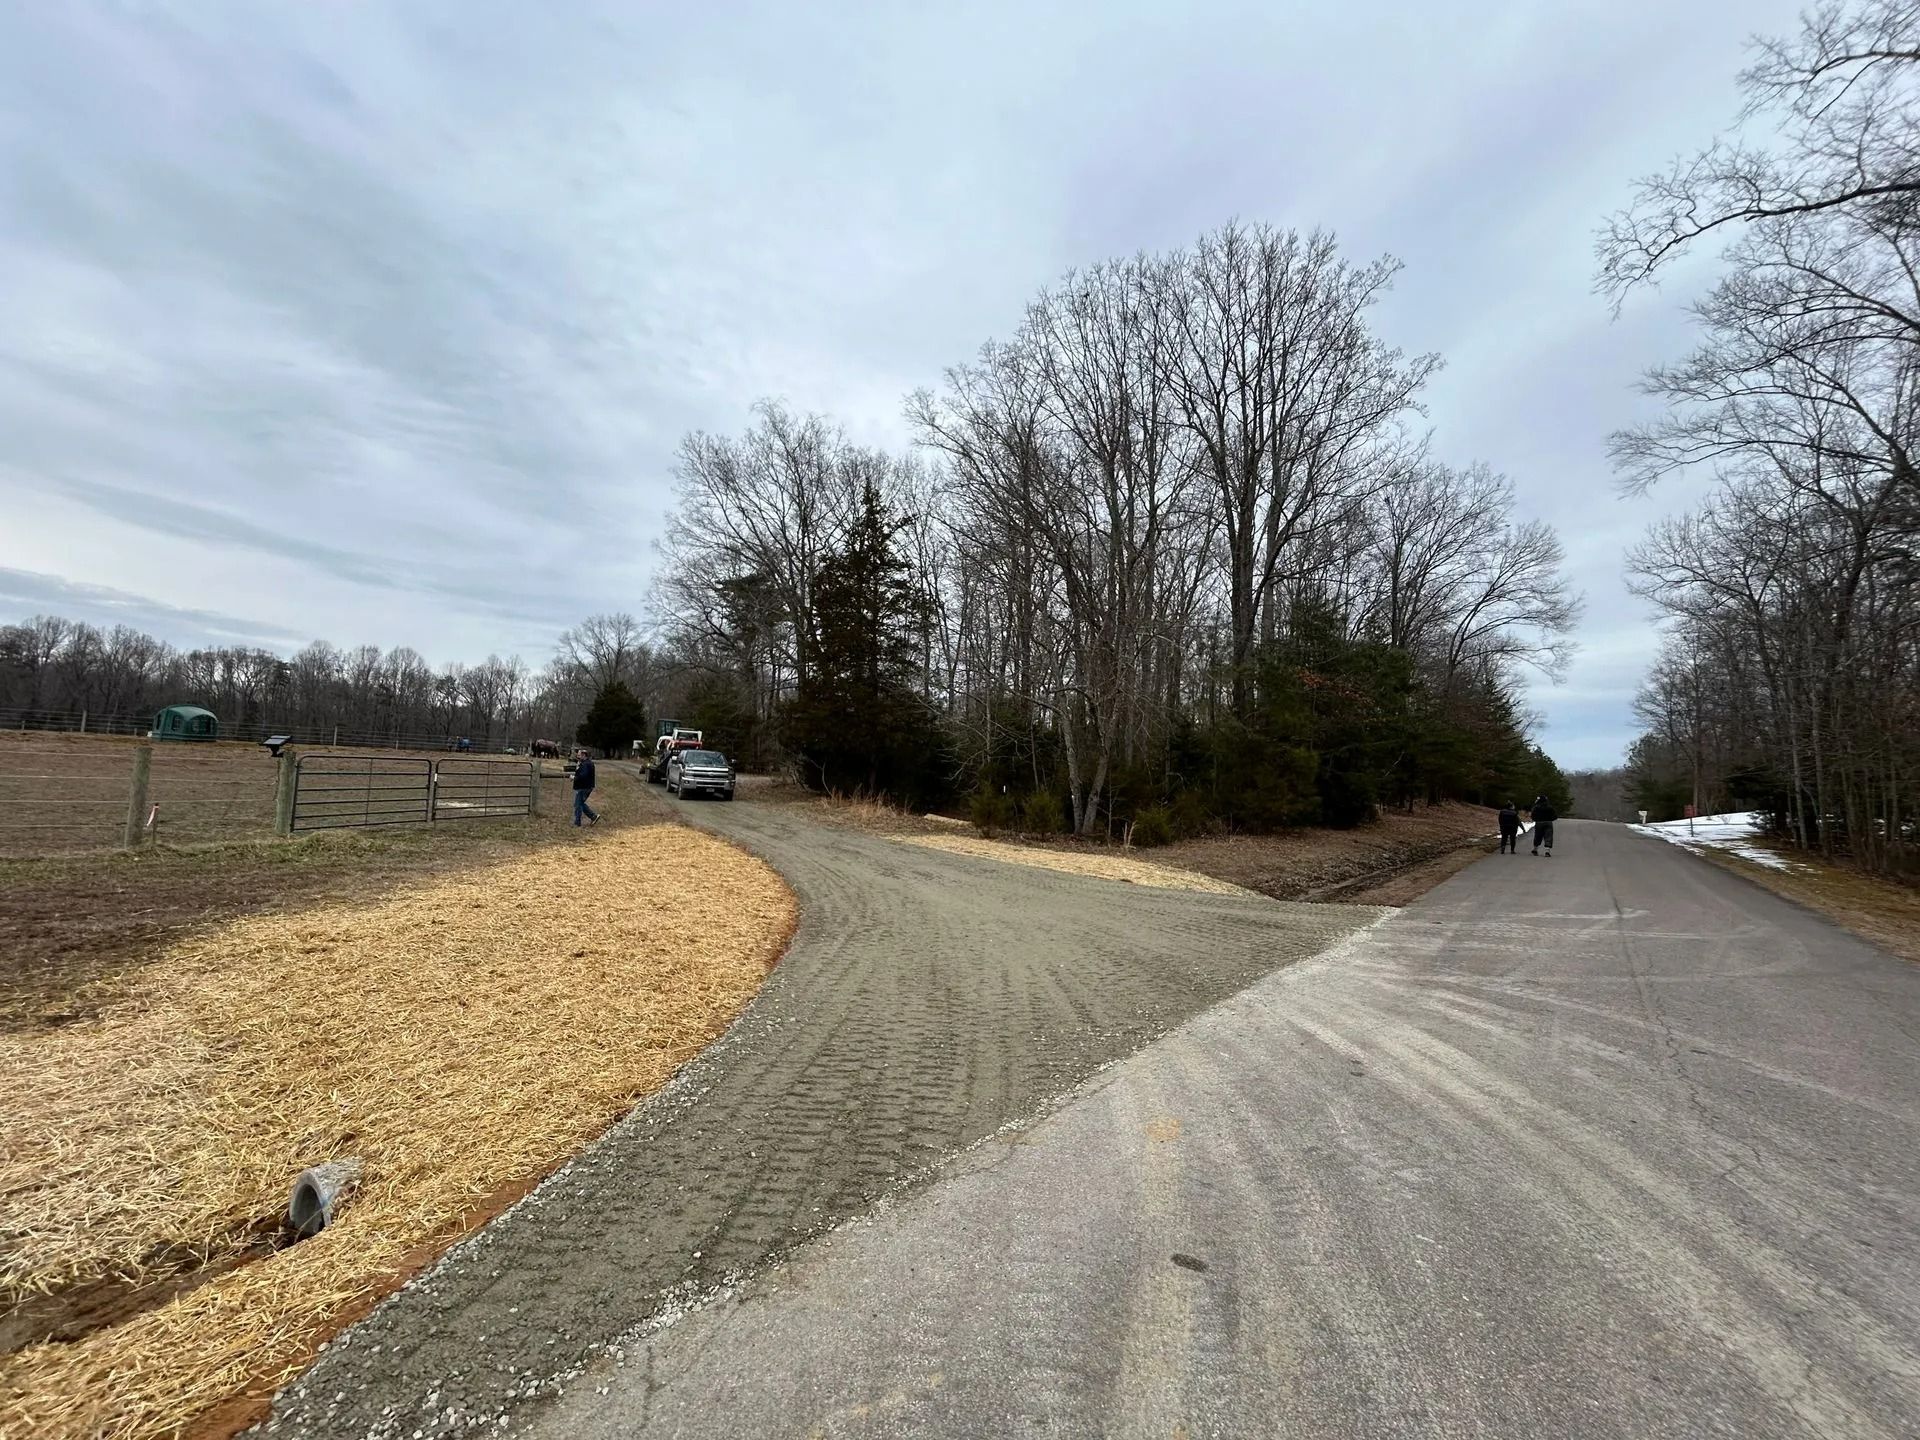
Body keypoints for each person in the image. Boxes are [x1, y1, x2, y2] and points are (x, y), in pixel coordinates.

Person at [572, 749, 599, 827]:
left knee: (578, 804)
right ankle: (593, 817)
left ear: (584, 755)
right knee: (580, 804)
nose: (578, 756)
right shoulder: (586, 763)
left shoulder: (586, 764)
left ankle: (577, 823)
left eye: (579, 755)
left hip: (583, 787)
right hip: (586, 786)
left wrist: (574, 777)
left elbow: (583, 776)